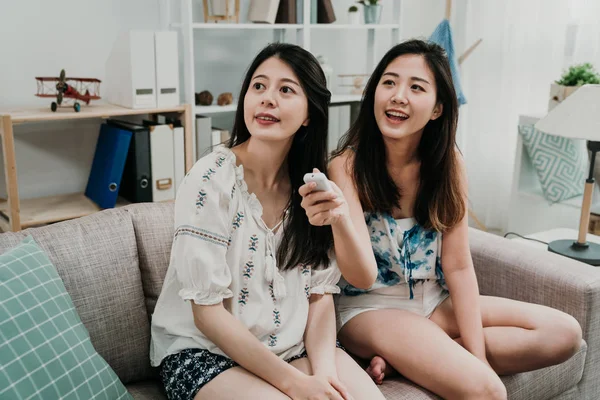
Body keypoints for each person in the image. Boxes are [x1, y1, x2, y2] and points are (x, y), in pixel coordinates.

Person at [316, 39, 582, 400]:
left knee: (565, 333)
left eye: (416, 87)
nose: (398, 96)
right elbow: (356, 274)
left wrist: (477, 355)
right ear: (374, 93)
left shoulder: (449, 165)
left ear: (438, 108)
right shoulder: (346, 166)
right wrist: (479, 371)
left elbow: (458, 268)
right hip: (370, 308)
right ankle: (409, 352)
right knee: (489, 391)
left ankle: (403, 359)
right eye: (389, 82)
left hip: (434, 302)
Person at [150, 43, 384, 400]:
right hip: (207, 354)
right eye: (258, 86)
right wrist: (296, 385)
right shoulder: (211, 178)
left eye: (285, 90)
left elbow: (320, 298)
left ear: (309, 114)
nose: (267, 99)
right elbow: (207, 315)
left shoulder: (313, 189)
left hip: (293, 348)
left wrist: (323, 374)